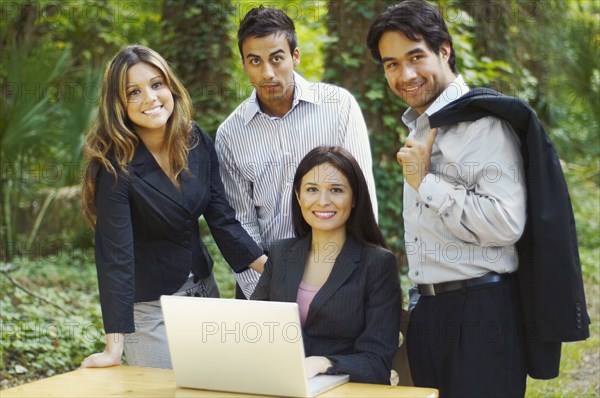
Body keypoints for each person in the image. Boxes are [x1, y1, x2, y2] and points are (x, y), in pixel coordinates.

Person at [367, 1, 589, 396]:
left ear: (444, 50)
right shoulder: (423, 125)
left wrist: (426, 183)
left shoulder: (482, 123)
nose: (406, 74)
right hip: (430, 312)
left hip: (482, 313)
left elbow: (505, 224)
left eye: (416, 57)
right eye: (392, 64)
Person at [79, 45, 267, 369]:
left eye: (156, 84)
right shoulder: (113, 168)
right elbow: (116, 258)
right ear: (118, 104)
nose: (150, 98)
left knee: (217, 389)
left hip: (204, 292)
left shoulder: (195, 140)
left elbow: (223, 221)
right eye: (133, 92)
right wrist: (113, 348)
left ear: (170, 87)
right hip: (151, 308)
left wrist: (278, 272)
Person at [216, 6, 378, 299]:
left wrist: (353, 281)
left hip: (339, 279)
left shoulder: (338, 107)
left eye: (277, 58)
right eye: (255, 61)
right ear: (243, 64)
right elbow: (241, 225)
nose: (267, 72)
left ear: (295, 56)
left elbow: (362, 197)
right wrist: (267, 293)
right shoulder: (231, 134)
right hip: (265, 283)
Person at [251, 146, 401, 385]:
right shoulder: (280, 254)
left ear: (354, 199)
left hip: (344, 389)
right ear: (299, 197)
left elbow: (377, 361)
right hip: (279, 384)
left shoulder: (377, 264)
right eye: (312, 190)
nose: (323, 201)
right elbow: (253, 329)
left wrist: (323, 363)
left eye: (336, 190)